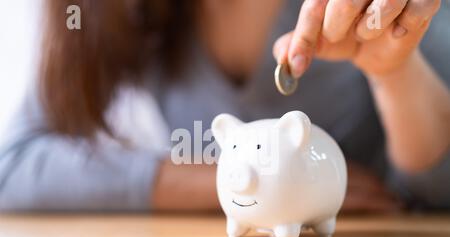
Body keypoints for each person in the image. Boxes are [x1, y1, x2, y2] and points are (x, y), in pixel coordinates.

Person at [0, 0, 449, 211]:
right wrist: (213, 185)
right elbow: (12, 166)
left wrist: (394, 71)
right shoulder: (129, 13)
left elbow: (439, 192)